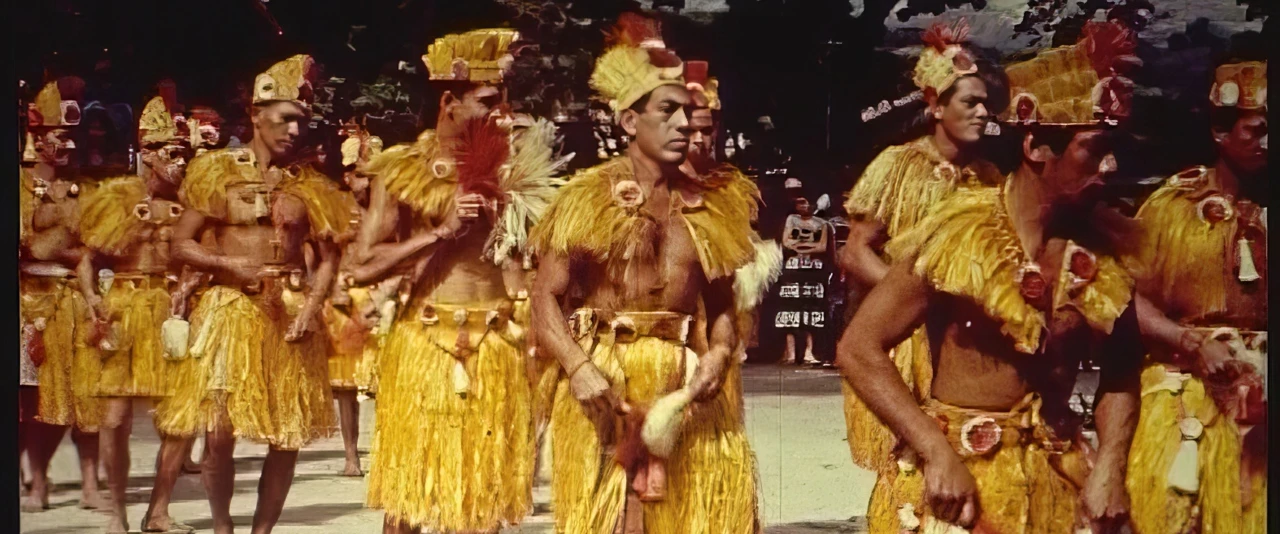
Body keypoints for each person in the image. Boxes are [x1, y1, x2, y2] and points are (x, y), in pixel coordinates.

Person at [839, 21, 1144, 533]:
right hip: (963, 481)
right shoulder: (959, 230)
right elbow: (858, 347)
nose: (1111, 166)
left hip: (1057, 472)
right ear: (1038, 148)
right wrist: (934, 450)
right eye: (1094, 149)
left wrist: (1111, 463)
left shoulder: (1102, 248)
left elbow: (1122, 365)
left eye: (1115, 149)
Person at [531, 14, 760, 532]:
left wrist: (720, 353)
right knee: (615, 523)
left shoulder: (713, 207)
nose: (684, 124)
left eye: (688, 112)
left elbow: (724, 307)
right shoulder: (584, 198)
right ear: (630, 122)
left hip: (685, 389)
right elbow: (544, 298)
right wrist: (578, 367)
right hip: (608, 382)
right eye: (668, 112)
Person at [351, 28, 564, 534]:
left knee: (483, 493)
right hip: (424, 341)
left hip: (497, 345)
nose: (500, 113)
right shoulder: (402, 170)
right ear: (449, 102)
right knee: (410, 494)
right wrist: (441, 233)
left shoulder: (518, 173)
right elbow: (363, 266)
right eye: (488, 101)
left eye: (503, 101)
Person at [151, 55, 357, 534]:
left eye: (301, 121)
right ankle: (223, 527)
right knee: (219, 433)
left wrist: (312, 305)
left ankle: (261, 532)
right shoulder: (214, 170)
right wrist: (225, 263)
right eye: (285, 118)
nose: (294, 130)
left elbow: (328, 257)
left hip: (290, 313)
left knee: (287, 435)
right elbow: (180, 243)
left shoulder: (308, 185)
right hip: (230, 310)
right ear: (256, 116)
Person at [838, 19, 1005, 482]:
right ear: (935, 106)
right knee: (907, 474)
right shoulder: (897, 165)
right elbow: (855, 252)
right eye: (970, 103)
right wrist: (914, 300)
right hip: (903, 340)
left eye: (986, 105)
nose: (982, 113)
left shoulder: (990, 179)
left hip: (959, 342)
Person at [1124, 59, 1268, 534]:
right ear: (1220, 132)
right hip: (1183, 401)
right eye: (1258, 130)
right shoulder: (1173, 207)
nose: (1269, 143)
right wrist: (1189, 343)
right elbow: (1127, 300)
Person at [79, 95, 195, 533]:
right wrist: (93, 301)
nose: (180, 162)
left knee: (181, 418)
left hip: (171, 314)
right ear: (147, 154)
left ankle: (159, 511)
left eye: (184, 154)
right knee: (114, 419)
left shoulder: (190, 207)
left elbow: (201, 258)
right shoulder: (117, 198)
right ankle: (117, 513)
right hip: (124, 312)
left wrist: (187, 289)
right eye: (172, 153)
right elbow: (88, 260)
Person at [19, 77, 107, 513]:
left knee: (87, 394)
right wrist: (68, 246)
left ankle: (91, 483)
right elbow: (30, 248)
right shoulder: (17, 184)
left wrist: (90, 289)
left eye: (71, 137)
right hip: (30, 303)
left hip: (76, 298)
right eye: (60, 137)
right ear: (37, 139)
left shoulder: (85, 188)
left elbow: (93, 247)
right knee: (38, 403)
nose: (69, 146)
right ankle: (38, 483)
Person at [323, 119, 385, 477]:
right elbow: (318, 257)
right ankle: (351, 456)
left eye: (374, 176)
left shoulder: (392, 210)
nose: (368, 182)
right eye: (362, 176)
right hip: (344, 304)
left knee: (385, 384)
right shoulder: (334, 209)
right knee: (346, 388)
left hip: (382, 304)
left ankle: (388, 449)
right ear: (348, 176)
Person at [777, 194, 831, 366]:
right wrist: (804, 247)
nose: (803, 206)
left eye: (806, 202)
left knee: (812, 308)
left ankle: (809, 351)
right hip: (793, 267)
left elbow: (822, 246)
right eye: (799, 202)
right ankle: (790, 352)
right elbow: (786, 242)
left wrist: (801, 246)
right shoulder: (791, 219)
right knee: (789, 309)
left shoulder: (821, 223)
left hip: (813, 269)